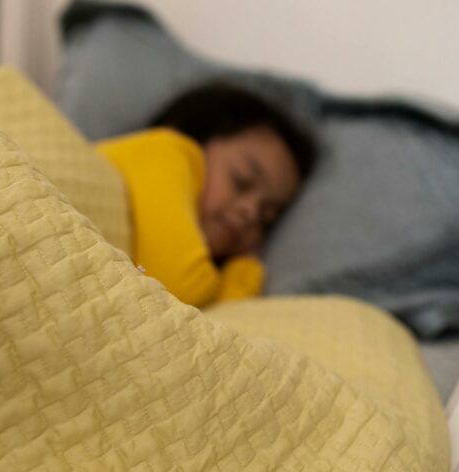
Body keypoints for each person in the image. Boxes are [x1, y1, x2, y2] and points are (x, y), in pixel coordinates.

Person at [96, 81, 318, 307]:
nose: (251, 212)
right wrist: (244, 273)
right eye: (241, 181)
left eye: (266, 217)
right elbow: (182, 292)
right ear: (195, 136)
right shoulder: (164, 150)